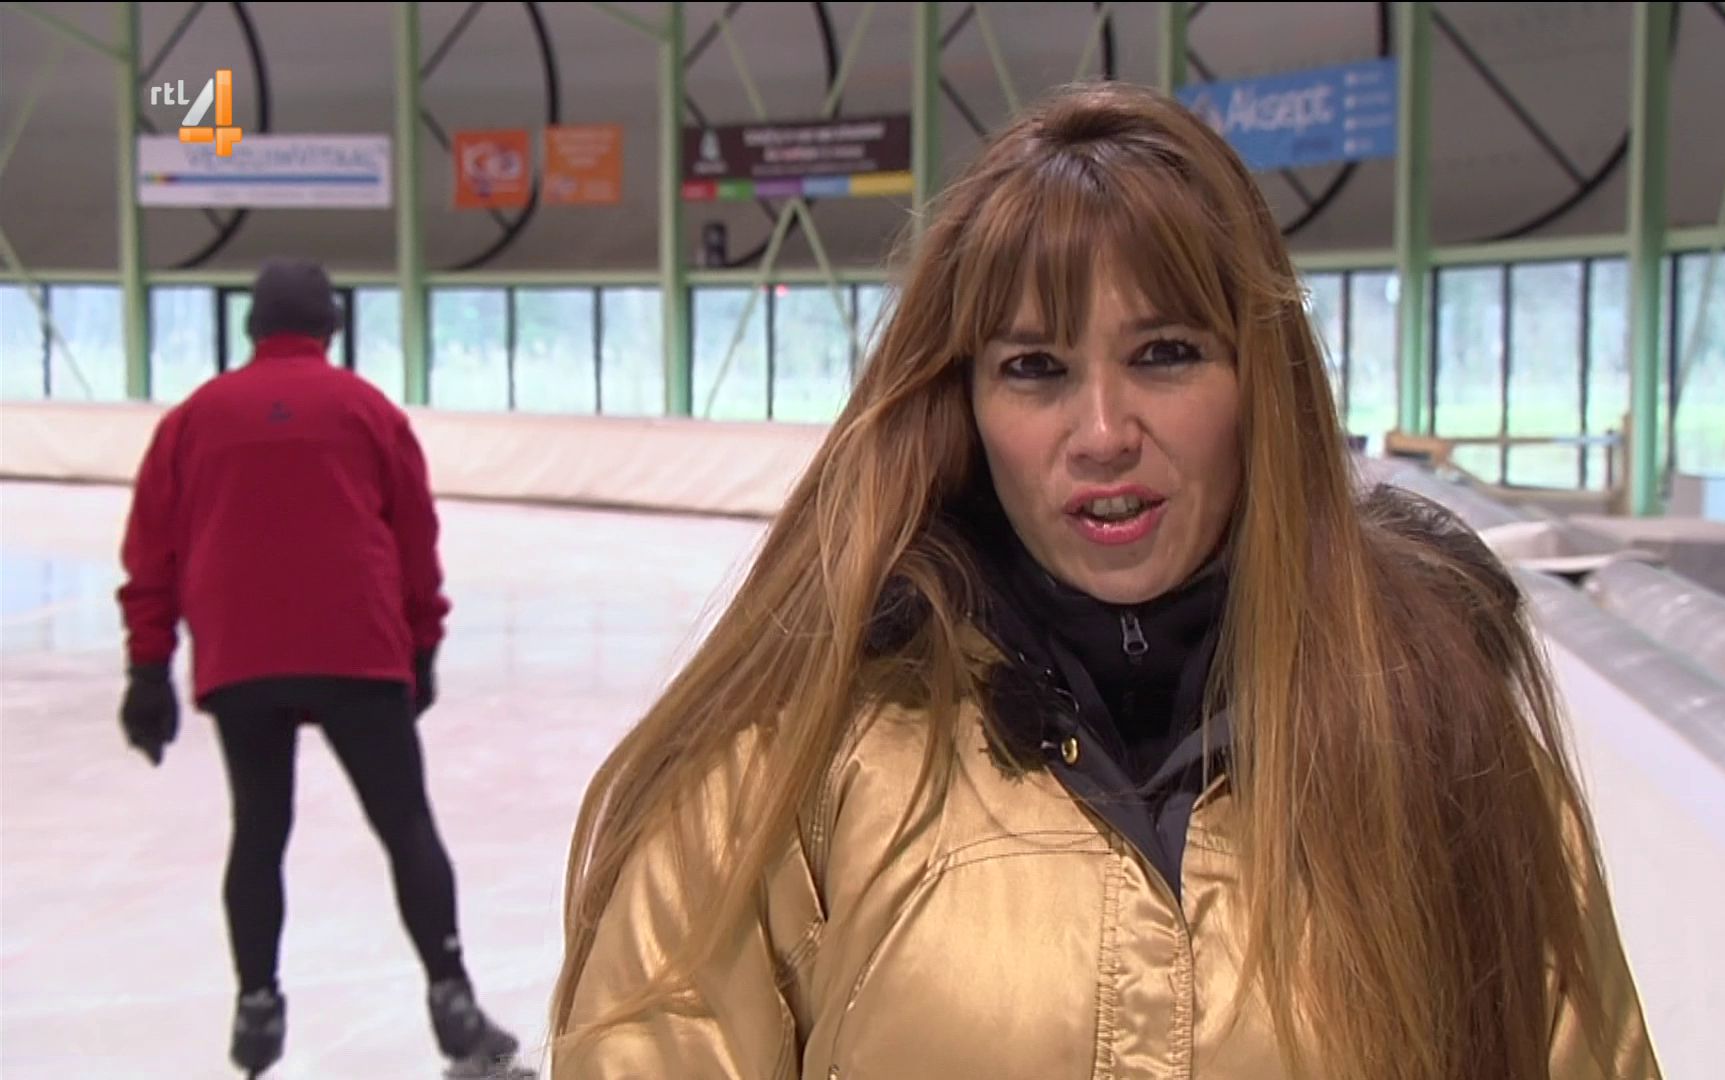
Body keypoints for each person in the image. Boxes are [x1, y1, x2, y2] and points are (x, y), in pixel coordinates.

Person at [551, 82, 1662, 1080]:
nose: (1102, 432)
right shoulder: (791, 759)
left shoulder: (1440, 736)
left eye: (1165, 353)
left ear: (1261, 379)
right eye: (1035, 368)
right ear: (965, 401)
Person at [115, 257, 527, 1079]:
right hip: (356, 648)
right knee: (405, 823)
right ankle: (453, 1002)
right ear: (331, 327)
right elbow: (415, 537)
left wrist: (149, 669)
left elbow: (151, 550)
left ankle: (257, 1008)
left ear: (252, 327)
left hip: (240, 655)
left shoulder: (192, 420)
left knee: (258, 831)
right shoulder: (367, 411)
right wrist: (422, 643)